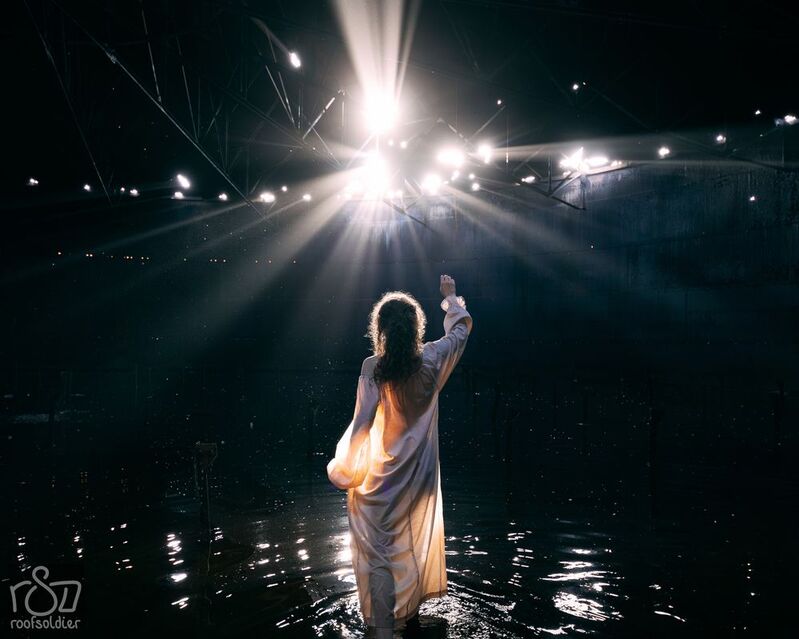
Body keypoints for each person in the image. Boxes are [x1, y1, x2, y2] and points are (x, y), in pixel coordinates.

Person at [327, 275, 473, 637]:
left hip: (382, 480)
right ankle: (409, 618)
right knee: (412, 543)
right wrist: (450, 297)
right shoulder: (433, 358)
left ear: (380, 330)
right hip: (420, 477)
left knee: (379, 554)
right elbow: (460, 331)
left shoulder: (373, 368)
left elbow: (361, 425)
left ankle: (382, 629)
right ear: (415, 328)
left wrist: (346, 469)